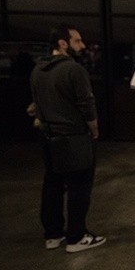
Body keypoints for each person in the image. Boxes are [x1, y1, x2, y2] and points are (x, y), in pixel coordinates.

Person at [29, 23, 106, 253]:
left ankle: (53, 234)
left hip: (48, 137)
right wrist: (94, 130)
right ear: (63, 43)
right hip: (74, 138)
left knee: (52, 184)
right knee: (79, 187)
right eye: (77, 41)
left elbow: (36, 105)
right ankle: (76, 236)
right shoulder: (73, 70)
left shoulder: (37, 70)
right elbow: (87, 105)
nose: (82, 46)